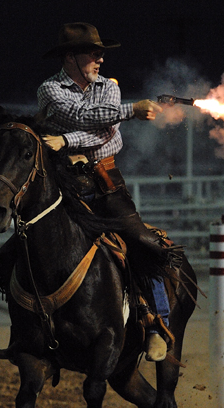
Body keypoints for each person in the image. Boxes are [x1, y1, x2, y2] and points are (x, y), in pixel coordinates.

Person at [37, 22, 177, 362]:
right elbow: (80, 115)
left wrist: (65, 141)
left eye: (101, 53)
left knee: (142, 241)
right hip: (63, 183)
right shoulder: (50, 89)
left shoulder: (109, 88)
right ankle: (26, 323)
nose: (100, 59)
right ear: (70, 57)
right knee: (30, 238)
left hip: (104, 181)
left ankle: (157, 323)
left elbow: (107, 133)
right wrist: (131, 110)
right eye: (93, 53)